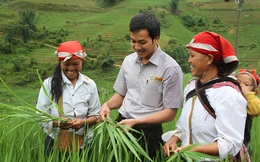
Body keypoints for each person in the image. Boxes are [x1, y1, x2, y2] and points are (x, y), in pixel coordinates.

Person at [99, 12, 183, 158]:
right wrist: (106, 105)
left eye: (142, 42)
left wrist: (136, 121)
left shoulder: (170, 69)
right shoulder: (128, 61)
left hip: (148, 133)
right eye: (133, 41)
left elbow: (170, 113)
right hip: (122, 126)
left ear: (156, 38)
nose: (137, 47)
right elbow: (121, 94)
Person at [162, 31, 247, 160]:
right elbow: (185, 126)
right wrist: (174, 139)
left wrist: (195, 148)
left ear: (209, 59)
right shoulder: (191, 87)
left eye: (192, 56)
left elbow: (230, 144)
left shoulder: (229, 95)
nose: (189, 60)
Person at [36, 40, 101, 156]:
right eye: (67, 64)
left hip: (84, 144)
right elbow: (40, 115)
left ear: (81, 62)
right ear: (60, 63)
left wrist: (83, 122)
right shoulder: (49, 84)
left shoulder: (89, 85)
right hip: (55, 143)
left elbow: (95, 115)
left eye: (76, 64)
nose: (71, 68)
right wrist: (57, 123)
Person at [235, 69, 260, 152]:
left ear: (254, 92)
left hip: (243, 142)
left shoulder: (252, 100)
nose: (241, 85)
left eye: (246, 84)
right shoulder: (231, 97)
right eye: (238, 82)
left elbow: (256, 110)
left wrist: (248, 95)